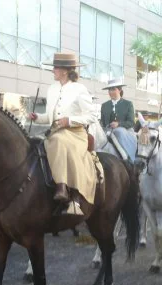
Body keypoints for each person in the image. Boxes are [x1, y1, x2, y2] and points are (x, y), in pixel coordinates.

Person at [27, 53, 98, 216]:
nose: (53, 71)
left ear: (65, 71)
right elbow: (49, 117)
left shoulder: (80, 89)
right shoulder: (52, 89)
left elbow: (92, 116)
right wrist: (37, 117)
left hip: (76, 134)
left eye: (56, 68)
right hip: (55, 132)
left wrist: (70, 120)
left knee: (58, 140)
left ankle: (63, 187)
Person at [100, 79, 137, 162]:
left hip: (124, 133)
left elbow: (131, 122)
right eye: (109, 90)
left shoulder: (128, 104)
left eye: (113, 89)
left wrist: (119, 124)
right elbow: (102, 122)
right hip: (107, 133)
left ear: (120, 90)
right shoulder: (104, 105)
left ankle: (128, 160)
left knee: (119, 131)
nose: (110, 92)